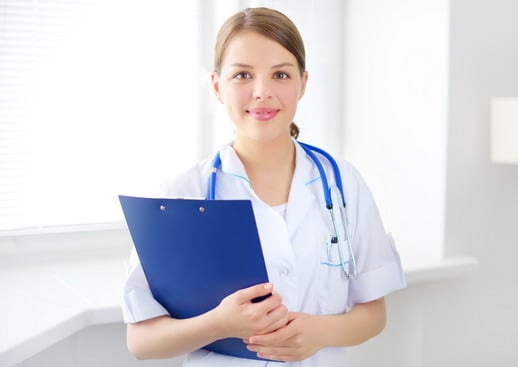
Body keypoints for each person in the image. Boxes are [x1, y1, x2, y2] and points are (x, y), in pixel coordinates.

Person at [121, 7, 406, 367]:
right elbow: (142, 341)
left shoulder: (343, 183)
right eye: (242, 74)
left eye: (280, 74)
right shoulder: (177, 195)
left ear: (303, 83)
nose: (262, 92)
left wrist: (320, 333)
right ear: (217, 86)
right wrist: (218, 324)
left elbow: (373, 314)